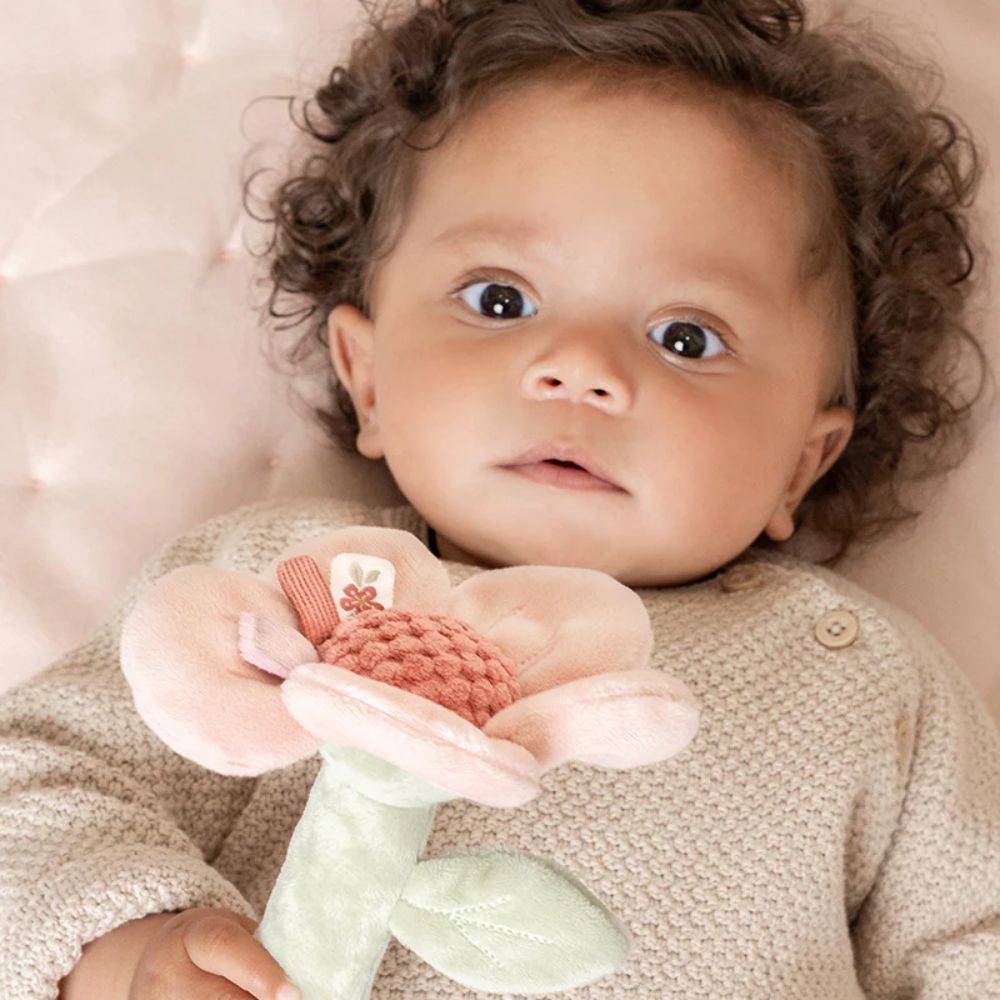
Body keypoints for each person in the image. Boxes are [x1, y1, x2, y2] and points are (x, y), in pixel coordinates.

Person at [2, 0, 998, 997]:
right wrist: (129, 942)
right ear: (370, 378)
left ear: (801, 462)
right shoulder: (282, 589)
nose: (580, 367)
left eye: (686, 337)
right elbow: (40, 779)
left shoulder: (866, 682)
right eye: (500, 300)